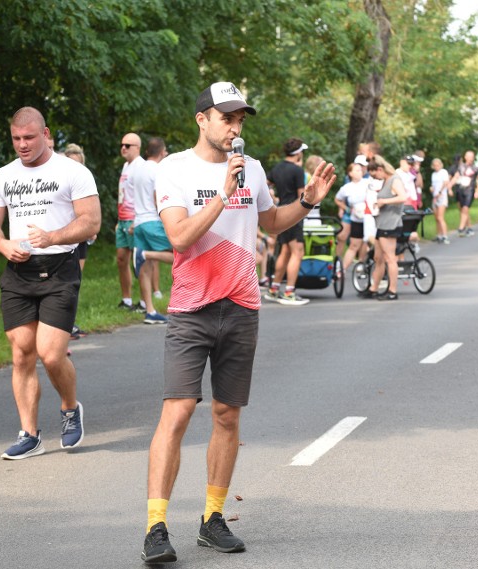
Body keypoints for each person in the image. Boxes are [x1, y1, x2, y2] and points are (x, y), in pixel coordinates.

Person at [141, 82, 336, 564]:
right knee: (178, 412)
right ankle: (156, 527)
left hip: (242, 305)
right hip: (191, 307)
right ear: (201, 119)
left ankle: (212, 518)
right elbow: (179, 236)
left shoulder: (251, 170)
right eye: (226, 118)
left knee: (227, 416)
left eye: (240, 119)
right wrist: (222, 195)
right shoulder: (175, 169)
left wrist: (308, 201)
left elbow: (270, 222)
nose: (235, 127)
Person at [0, 107, 100, 459]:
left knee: (50, 354)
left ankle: (69, 407)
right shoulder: (3, 176)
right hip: (18, 272)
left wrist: (53, 237)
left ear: (45, 133)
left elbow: (91, 222)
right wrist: (2, 244)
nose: (22, 145)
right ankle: (29, 434)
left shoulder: (72, 171)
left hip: (60, 268)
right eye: (16, 138)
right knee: (21, 354)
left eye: (29, 138)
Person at [264, 137, 310, 305]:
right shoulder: (298, 171)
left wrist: (272, 197)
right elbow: (302, 197)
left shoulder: (277, 168)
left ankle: (274, 289)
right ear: (298, 153)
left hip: (280, 212)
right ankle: (289, 292)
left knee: (285, 251)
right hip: (294, 215)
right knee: (298, 253)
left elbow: (265, 183)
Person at [132, 136, 173, 324]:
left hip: (139, 221)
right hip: (153, 221)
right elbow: (158, 197)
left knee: (145, 271)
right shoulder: (158, 169)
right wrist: (168, 220)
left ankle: (150, 310)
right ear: (162, 151)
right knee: (182, 251)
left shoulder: (137, 170)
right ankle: (146, 254)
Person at [361, 156, 406, 301]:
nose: (375, 178)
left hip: (390, 224)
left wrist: (383, 201)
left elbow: (402, 197)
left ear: (380, 169)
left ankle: (392, 290)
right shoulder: (385, 181)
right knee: (378, 257)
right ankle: (374, 288)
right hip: (381, 223)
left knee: (390, 258)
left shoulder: (394, 179)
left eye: (375, 175)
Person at [64, 143, 92, 339]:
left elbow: (91, 210)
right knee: (63, 284)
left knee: (75, 282)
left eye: (78, 164)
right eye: (71, 163)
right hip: (64, 237)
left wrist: (91, 229)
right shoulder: (59, 181)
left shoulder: (85, 181)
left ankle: (70, 324)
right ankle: (63, 326)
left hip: (81, 236)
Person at [116, 132, 144, 310]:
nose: (123, 148)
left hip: (135, 220)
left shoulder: (141, 167)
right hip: (123, 220)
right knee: (121, 259)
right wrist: (119, 220)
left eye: (128, 145)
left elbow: (145, 196)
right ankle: (126, 300)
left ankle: (143, 301)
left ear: (137, 148)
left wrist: (138, 220)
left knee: (140, 262)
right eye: (122, 145)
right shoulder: (126, 166)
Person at [334, 162, 372, 271]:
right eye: (357, 170)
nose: (360, 172)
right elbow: (337, 199)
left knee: (367, 241)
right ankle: (340, 269)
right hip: (355, 217)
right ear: (350, 173)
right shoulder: (347, 188)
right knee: (352, 243)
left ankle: (362, 263)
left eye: (360, 170)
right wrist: (346, 208)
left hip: (369, 217)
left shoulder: (368, 182)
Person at [450, 150, 478, 237]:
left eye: (472, 157)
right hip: (461, 190)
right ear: (465, 157)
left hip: (470, 190)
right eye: (469, 156)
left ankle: (461, 227)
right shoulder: (461, 167)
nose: (470, 158)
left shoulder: (476, 169)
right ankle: (469, 228)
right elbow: (455, 178)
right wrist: (449, 187)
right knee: (462, 209)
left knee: (465, 208)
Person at [430, 158, 450, 244]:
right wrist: (432, 189)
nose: (436, 167)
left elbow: (445, 183)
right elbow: (433, 185)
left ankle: (445, 236)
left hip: (442, 196)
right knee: (436, 218)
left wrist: (440, 191)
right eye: (435, 165)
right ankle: (439, 235)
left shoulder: (443, 172)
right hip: (435, 197)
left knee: (440, 217)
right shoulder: (433, 174)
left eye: (437, 165)